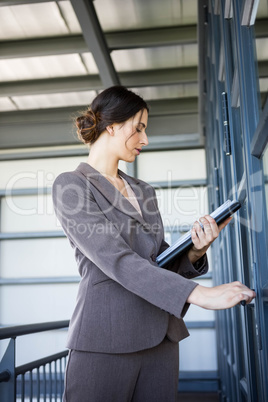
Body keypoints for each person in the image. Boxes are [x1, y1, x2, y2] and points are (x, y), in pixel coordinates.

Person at [52, 86, 255, 402]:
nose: (145, 140)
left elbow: (157, 259)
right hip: (107, 337)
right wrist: (200, 294)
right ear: (113, 126)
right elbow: (117, 260)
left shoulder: (143, 190)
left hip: (161, 336)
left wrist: (196, 249)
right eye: (140, 128)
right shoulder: (71, 185)